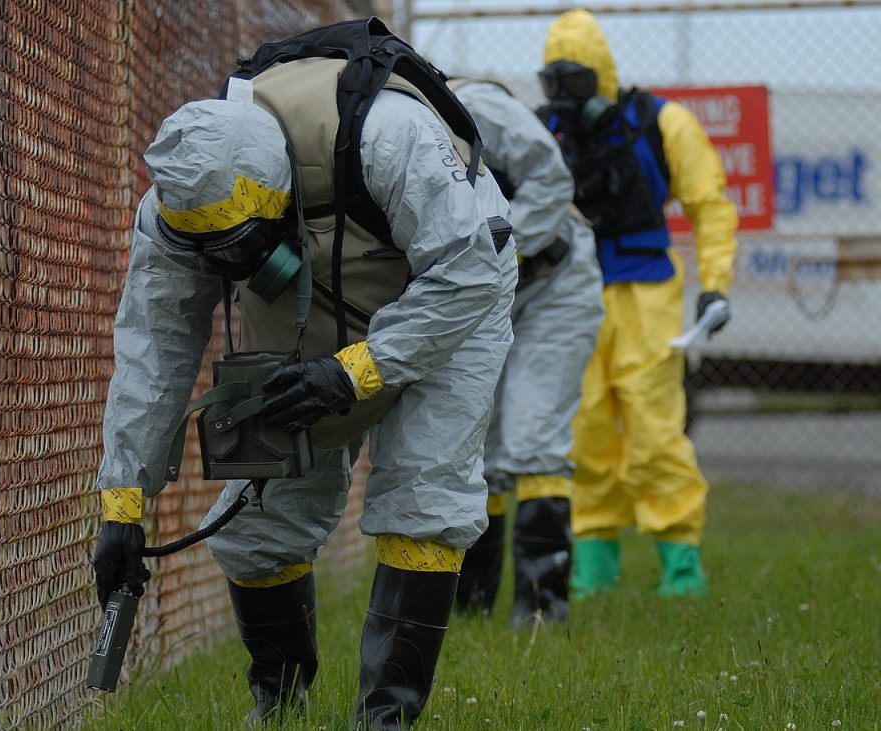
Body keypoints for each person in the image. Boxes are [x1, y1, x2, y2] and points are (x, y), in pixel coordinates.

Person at [90, 19, 518, 730]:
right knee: (258, 525)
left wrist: (355, 371)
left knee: (423, 495)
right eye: (213, 256)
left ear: (280, 191)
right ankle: (279, 710)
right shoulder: (179, 209)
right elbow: (153, 345)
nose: (230, 268)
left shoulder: (388, 135)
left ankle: (384, 720)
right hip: (304, 297)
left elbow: (469, 270)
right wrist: (121, 502)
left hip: (449, 292)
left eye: (242, 247)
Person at [536, 9, 737, 598]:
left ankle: (682, 571)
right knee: (586, 431)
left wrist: (717, 284)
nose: (566, 98)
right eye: (554, 83)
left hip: (646, 292)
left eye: (577, 81)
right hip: (571, 296)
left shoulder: (661, 122)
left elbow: (710, 204)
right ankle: (593, 569)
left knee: (654, 432)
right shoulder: (545, 131)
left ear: (602, 74)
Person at [447, 78, 604, 626]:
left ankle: (541, 616)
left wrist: (500, 256)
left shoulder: (474, 106)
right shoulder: (379, 139)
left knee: (533, 437)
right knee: (475, 445)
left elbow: (551, 178)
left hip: (554, 285)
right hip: (486, 294)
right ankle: (470, 614)